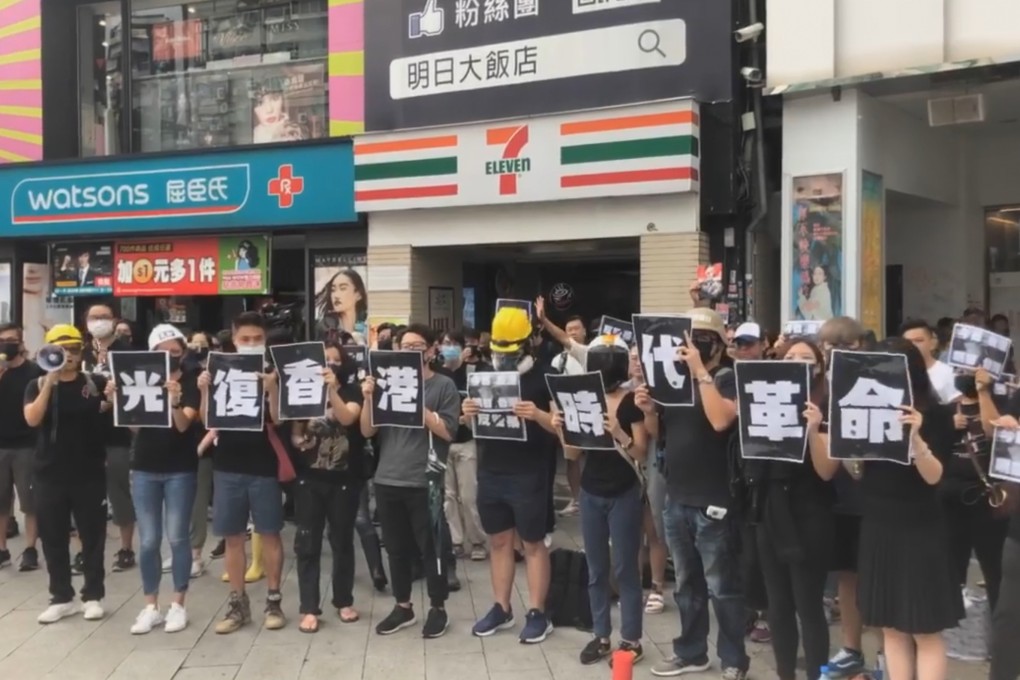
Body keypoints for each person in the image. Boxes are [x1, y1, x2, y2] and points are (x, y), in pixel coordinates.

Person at [832, 338, 961, 680]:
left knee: (925, 629)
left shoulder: (937, 414)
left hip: (920, 528)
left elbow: (934, 477)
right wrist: (846, 440)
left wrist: (916, 439)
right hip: (878, 524)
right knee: (890, 626)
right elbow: (856, 471)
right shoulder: (864, 408)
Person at [644, 308, 749, 680]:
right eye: (690, 338)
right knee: (687, 584)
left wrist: (700, 373)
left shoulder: (727, 378)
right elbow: (661, 433)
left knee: (722, 585)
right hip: (677, 496)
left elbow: (722, 421)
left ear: (720, 345)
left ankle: (734, 657)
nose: (695, 346)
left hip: (715, 499)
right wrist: (648, 409)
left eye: (703, 339)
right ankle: (691, 651)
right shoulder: (674, 383)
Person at [462, 307, 557, 643]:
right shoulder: (486, 375)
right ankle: (501, 607)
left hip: (530, 470)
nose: (502, 358)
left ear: (528, 346)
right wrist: (467, 413)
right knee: (499, 541)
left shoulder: (544, 376)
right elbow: (470, 422)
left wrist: (539, 415)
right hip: (492, 469)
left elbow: (564, 429)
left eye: (510, 351)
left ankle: (537, 611)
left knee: (533, 542)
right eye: (498, 351)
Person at [360, 323, 461, 639]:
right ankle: (403, 606)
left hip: (425, 480)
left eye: (418, 346)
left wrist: (417, 403)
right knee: (396, 548)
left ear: (432, 351)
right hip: (388, 477)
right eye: (405, 346)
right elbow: (366, 431)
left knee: (432, 548)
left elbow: (448, 431)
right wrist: (367, 398)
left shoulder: (444, 386)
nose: (411, 351)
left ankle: (438, 608)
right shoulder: (384, 385)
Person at [750, 339, 836, 680]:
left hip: (810, 511)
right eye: (789, 357)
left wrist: (814, 429)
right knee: (777, 604)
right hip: (771, 508)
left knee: (808, 603)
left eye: (806, 358)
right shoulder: (766, 398)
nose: (797, 362)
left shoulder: (828, 403)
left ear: (819, 367)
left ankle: (817, 674)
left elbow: (827, 471)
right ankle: (786, 673)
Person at [199, 312, 287, 634]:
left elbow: (279, 420)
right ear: (233, 341)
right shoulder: (218, 369)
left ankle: (274, 599)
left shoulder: (273, 371)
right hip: (228, 465)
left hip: (263, 465)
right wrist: (205, 390)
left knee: (270, 533)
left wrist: (272, 389)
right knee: (232, 537)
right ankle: (238, 604)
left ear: (264, 340)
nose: (250, 344)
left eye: (256, 339)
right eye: (244, 339)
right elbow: (208, 419)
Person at [562, 336, 648, 665]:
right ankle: (601, 635)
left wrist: (620, 434)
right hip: (591, 492)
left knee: (625, 569)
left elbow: (641, 451)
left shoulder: (630, 403)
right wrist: (562, 429)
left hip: (624, 492)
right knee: (596, 569)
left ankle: (631, 639)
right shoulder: (585, 399)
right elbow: (573, 452)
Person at [25, 325, 110, 623]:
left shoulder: (95, 381)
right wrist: (50, 381)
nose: (69, 355)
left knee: (92, 536)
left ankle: (93, 594)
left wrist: (110, 400)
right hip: (49, 473)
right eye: (61, 350)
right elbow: (33, 418)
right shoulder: (36, 384)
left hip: (89, 472)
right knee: (53, 536)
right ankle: (61, 596)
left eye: (74, 349)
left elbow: (114, 416)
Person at [119, 325, 200, 634]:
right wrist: (120, 402)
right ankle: (150, 604)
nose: (170, 355)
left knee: (178, 536)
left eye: (175, 349)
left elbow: (183, 425)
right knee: (149, 539)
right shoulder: (142, 379)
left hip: (181, 467)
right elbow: (135, 429)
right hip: (144, 467)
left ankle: (178, 603)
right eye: (163, 351)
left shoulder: (191, 381)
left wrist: (176, 400)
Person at [290, 342, 368, 633]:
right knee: (307, 543)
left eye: (336, 361)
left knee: (342, 542)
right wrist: (302, 443)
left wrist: (332, 390)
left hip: (345, 480)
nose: (331, 365)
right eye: (326, 360)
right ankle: (309, 607)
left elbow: (348, 417)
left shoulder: (352, 391)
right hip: (309, 479)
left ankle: (343, 600)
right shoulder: (301, 391)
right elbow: (295, 433)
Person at [81, 302, 136, 573]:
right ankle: (87, 550)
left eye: (104, 317)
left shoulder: (127, 352)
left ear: (114, 320)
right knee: (86, 495)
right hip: (84, 434)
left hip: (117, 434)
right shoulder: (79, 353)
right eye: (94, 317)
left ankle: (126, 548)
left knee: (118, 491)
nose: (99, 321)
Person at [438, 329, 487, 561]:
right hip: (444, 442)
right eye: (444, 343)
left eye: (452, 343)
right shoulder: (439, 374)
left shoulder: (472, 373)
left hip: (466, 441)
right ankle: (456, 541)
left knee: (469, 495)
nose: (447, 347)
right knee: (448, 496)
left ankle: (477, 540)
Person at [0, 323, 42, 571]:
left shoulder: (33, 372)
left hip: (28, 445)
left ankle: (30, 548)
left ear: (21, 344)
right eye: (2, 340)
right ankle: (2, 548)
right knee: (1, 501)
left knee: (29, 501)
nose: (7, 345)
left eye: (11, 340)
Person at [550, 314, 587, 518]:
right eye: (568, 329)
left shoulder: (592, 354)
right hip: (568, 415)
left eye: (576, 328)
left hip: (590, 411)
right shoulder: (559, 359)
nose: (572, 332)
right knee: (572, 459)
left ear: (584, 332)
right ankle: (577, 499)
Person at [901, 320, 961, 405]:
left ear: (932, 343)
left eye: (919, 340)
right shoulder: (898, 374)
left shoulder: (947, 373)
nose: (913, 345)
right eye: (908, 342)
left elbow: (958, 410)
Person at [315, 269, 368, 337]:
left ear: (358, 295)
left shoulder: (365, 325)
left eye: (343, 288)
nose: (336, 295)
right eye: (333, 290)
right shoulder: (325, 328)